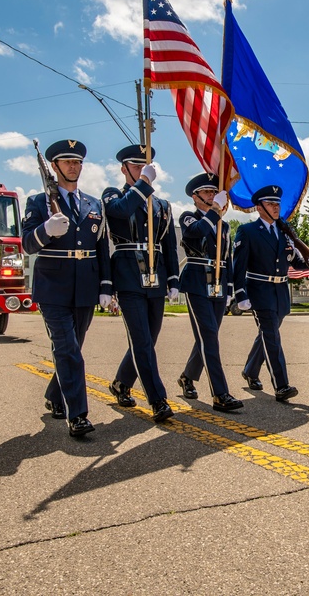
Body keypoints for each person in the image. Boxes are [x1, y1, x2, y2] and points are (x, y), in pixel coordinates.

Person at [21, 139, 111, 438]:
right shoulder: (38, 202)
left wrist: (105, 286)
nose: (74, 166)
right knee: (68, 349)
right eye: (67, 161)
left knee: (73, 348)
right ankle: (78, 415)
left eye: (78, 162)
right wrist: (45, 230)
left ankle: (54, 394)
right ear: (54, 167)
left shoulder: (93, 204)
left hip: (85, 284)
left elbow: (101, 249)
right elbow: (27, 244)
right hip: (53, 286)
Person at [102, 144, 180, 423]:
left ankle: (121, 383)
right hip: (128, 277)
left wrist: (173, 280)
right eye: (134, 166)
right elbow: (121, 212)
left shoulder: (162, 206)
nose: (139, 170)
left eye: (143, 167)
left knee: (149, 339)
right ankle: (158, 399)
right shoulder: (113, 195)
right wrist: (144, 184)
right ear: (124, 169)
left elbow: (169, 246)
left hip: (156, 277)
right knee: (142, 341)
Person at [232, 185, 309, 401]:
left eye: (277, 204)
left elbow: (294, 262)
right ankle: (281, 385)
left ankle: (250, 371)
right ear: (259, 207)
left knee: (267, 334)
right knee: (272, 336)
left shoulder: (284, 231)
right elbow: (239, 266)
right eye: (271, 204)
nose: (276, 207)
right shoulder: (248, 232)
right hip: (259, 291)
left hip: (280, 292)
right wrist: (240, 294)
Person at [176, 172, 243, 412]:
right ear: (195, 197)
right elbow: (195, 234)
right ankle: (220, 394)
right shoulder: (188, 218)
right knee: (209, 339)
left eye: (213, 192)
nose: (211, 195)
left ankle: (187, 377)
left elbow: (228, 257)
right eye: (206, 192)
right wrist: (214, 211)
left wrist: (231, 287)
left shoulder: (223, 225)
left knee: (208, 337)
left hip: (218, 284)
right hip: (196, 283)